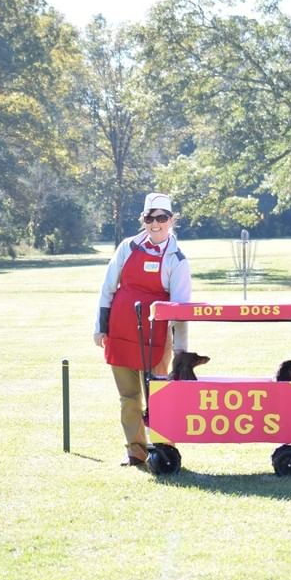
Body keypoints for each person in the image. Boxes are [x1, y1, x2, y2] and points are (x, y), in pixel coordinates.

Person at [93, 193, 192, 467]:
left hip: (156, 338)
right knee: (128, 398)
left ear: (171, 221)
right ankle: (135, 452)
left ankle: (164, 453)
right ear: (143, 220)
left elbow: (181, 310)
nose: (155, 224)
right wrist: (100, 328)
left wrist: (181, 350)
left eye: (161, 218)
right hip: (120, 333)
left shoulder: (178, 260)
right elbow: (108, 288)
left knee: (158, 397)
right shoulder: (127, 247)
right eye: (150, 218)